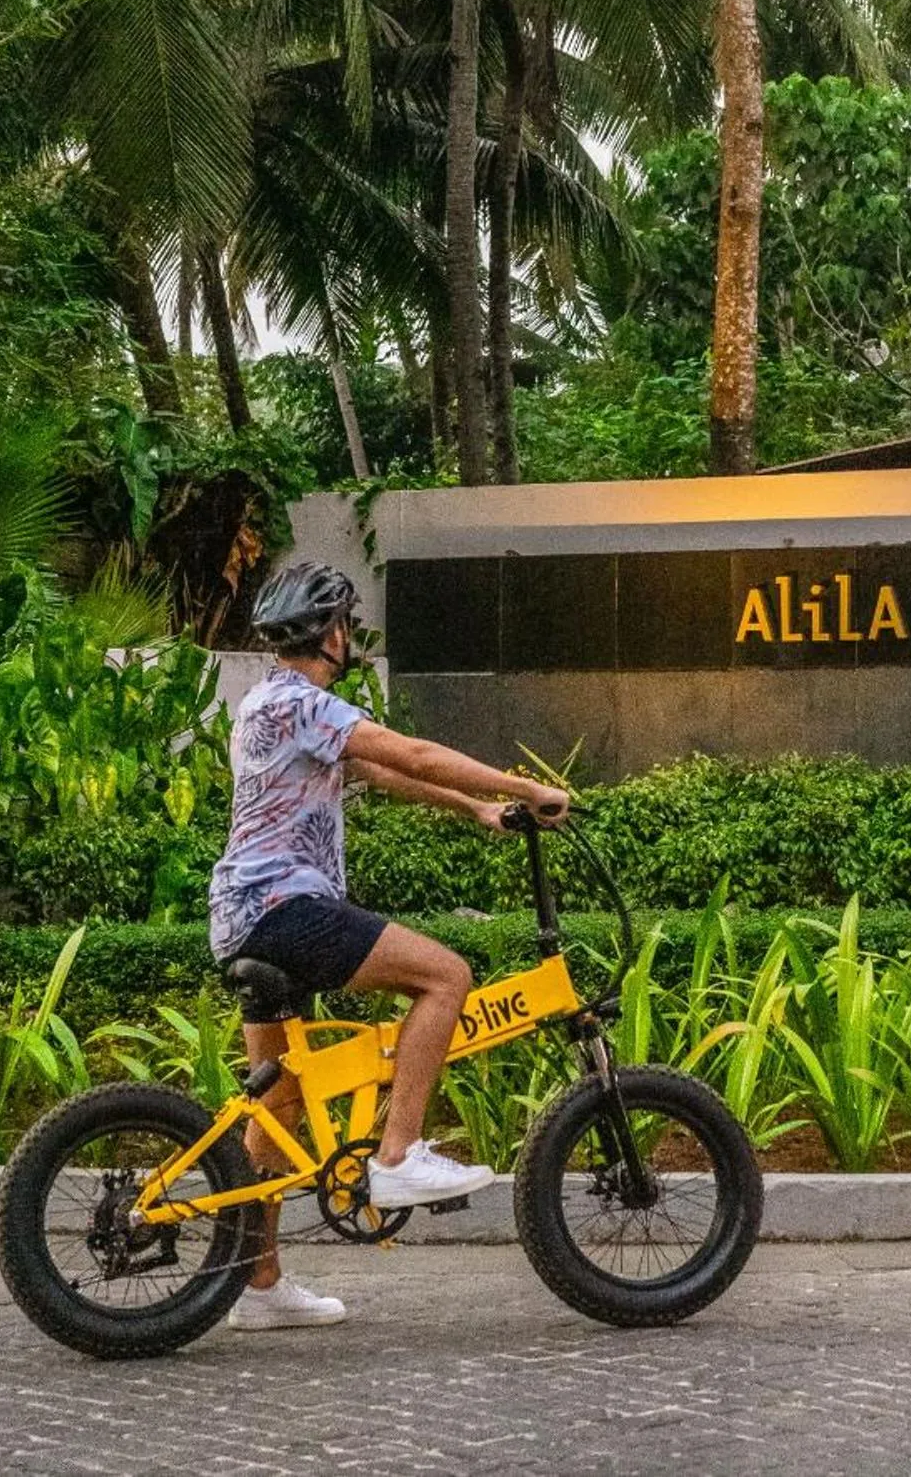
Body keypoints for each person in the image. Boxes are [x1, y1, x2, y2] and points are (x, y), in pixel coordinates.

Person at [207, 558, 569, 1332]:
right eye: (346, 626)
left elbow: (380, 769)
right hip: (285, 908)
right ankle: (398, 1156)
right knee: (447, 975)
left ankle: (259, 1285)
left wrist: (475, 810)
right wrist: (527, 789)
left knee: (278, 1104)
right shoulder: (302, 703)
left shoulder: (268, 705)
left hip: (242, 914)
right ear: (331, 634)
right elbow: (412, 752)